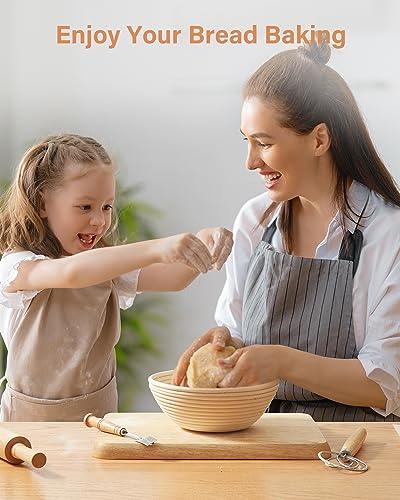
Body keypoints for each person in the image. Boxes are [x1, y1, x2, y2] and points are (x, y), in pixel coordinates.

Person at [173, 42, 400, 421]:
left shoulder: (387, 232)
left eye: (263, 143)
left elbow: (386, 383)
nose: (250, 162)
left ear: (319, 140)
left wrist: (282, 361)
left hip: (360, 450)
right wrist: (222, 345)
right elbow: (238, 330)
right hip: (264, 435)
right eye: (246, 142)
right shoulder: (255, 220)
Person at [0, 133, 233, 421]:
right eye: (85, 206)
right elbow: (71, 273)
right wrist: (157, 247)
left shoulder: (106, 266)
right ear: (42, 203)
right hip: (29, 424)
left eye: (107, 206)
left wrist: (204, 240)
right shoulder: (18, 266)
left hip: (98, 418)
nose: (99, 220)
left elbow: (174, 279)